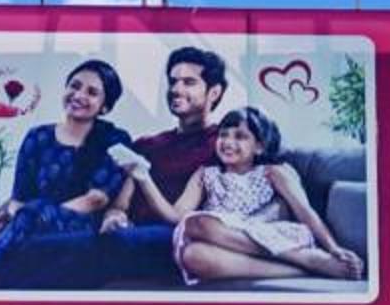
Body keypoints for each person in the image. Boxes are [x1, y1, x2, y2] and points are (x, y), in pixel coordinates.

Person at [108, 107, 364, 285]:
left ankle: (306, 257)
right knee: (191, 254)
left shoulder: (274, 172)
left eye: (240, 136)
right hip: (228, 244)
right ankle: (303, 267)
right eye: (223, 135)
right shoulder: (205, 174)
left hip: (272, 236)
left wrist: (333, 248)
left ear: (260, 146)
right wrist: (144, 178)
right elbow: (175, 216)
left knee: (199, 223)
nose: (228, 142)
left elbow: (305, 212)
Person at [0, 60, 129, 289]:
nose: (79, 95)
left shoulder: (114, 139)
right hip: (31, 221)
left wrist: (41, 214)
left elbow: (96, 199)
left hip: (82, 222)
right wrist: (25, 215)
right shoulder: (38, 136)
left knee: (31, 215)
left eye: (92, 92)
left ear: (105, 107)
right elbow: (19, 198)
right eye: (74, 86)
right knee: (23, 222)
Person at [101, 44, 230, 232]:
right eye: (172, 81)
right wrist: (114, 218)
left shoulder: (224, 145)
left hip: (185, 238)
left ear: (214, 92)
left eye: (189, 82)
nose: (176, 89)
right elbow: (120, 206)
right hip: (132, 236)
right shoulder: (147, 145)